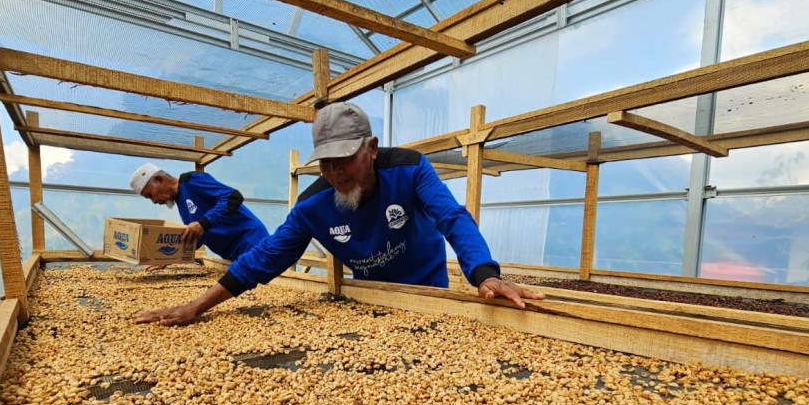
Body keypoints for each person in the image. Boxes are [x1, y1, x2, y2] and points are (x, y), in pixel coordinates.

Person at [136, 103, 543, 325]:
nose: (335, 173)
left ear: (371, 148)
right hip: (371, 298)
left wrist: (485, 274)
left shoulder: (410, 168)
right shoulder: (312, 206)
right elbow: (265, 259)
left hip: (430, 291)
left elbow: (453, 218)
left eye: (344, 159)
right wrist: (196, 307)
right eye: (324, 164)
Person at [130, 163, 269, 267]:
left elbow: (233, 197)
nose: (154, 201)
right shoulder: (180, 201)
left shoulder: (191, 181)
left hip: (252, 242)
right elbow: (198, 237)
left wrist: (203, 223)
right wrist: (168, 257)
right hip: (235, 256)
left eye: (150, 195)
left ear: (160, 180)